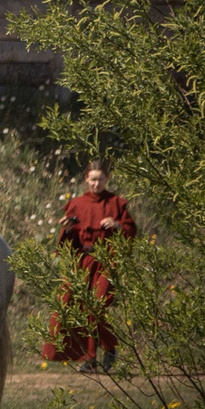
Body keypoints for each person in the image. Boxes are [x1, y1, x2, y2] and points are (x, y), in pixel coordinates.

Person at [50, 159, 136, 373]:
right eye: (93, 179)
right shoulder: (77, 204)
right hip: (82, 260)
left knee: (97, 305)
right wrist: (68, 229)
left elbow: (131, 232)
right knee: (73, 304)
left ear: (106, 179)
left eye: (101, 179)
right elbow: (66, 243)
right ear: (86, 179)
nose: (97, 184)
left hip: (107, 259)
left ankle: (109, 347)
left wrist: (117, 225)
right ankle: (89, 358)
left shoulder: (116, 202)